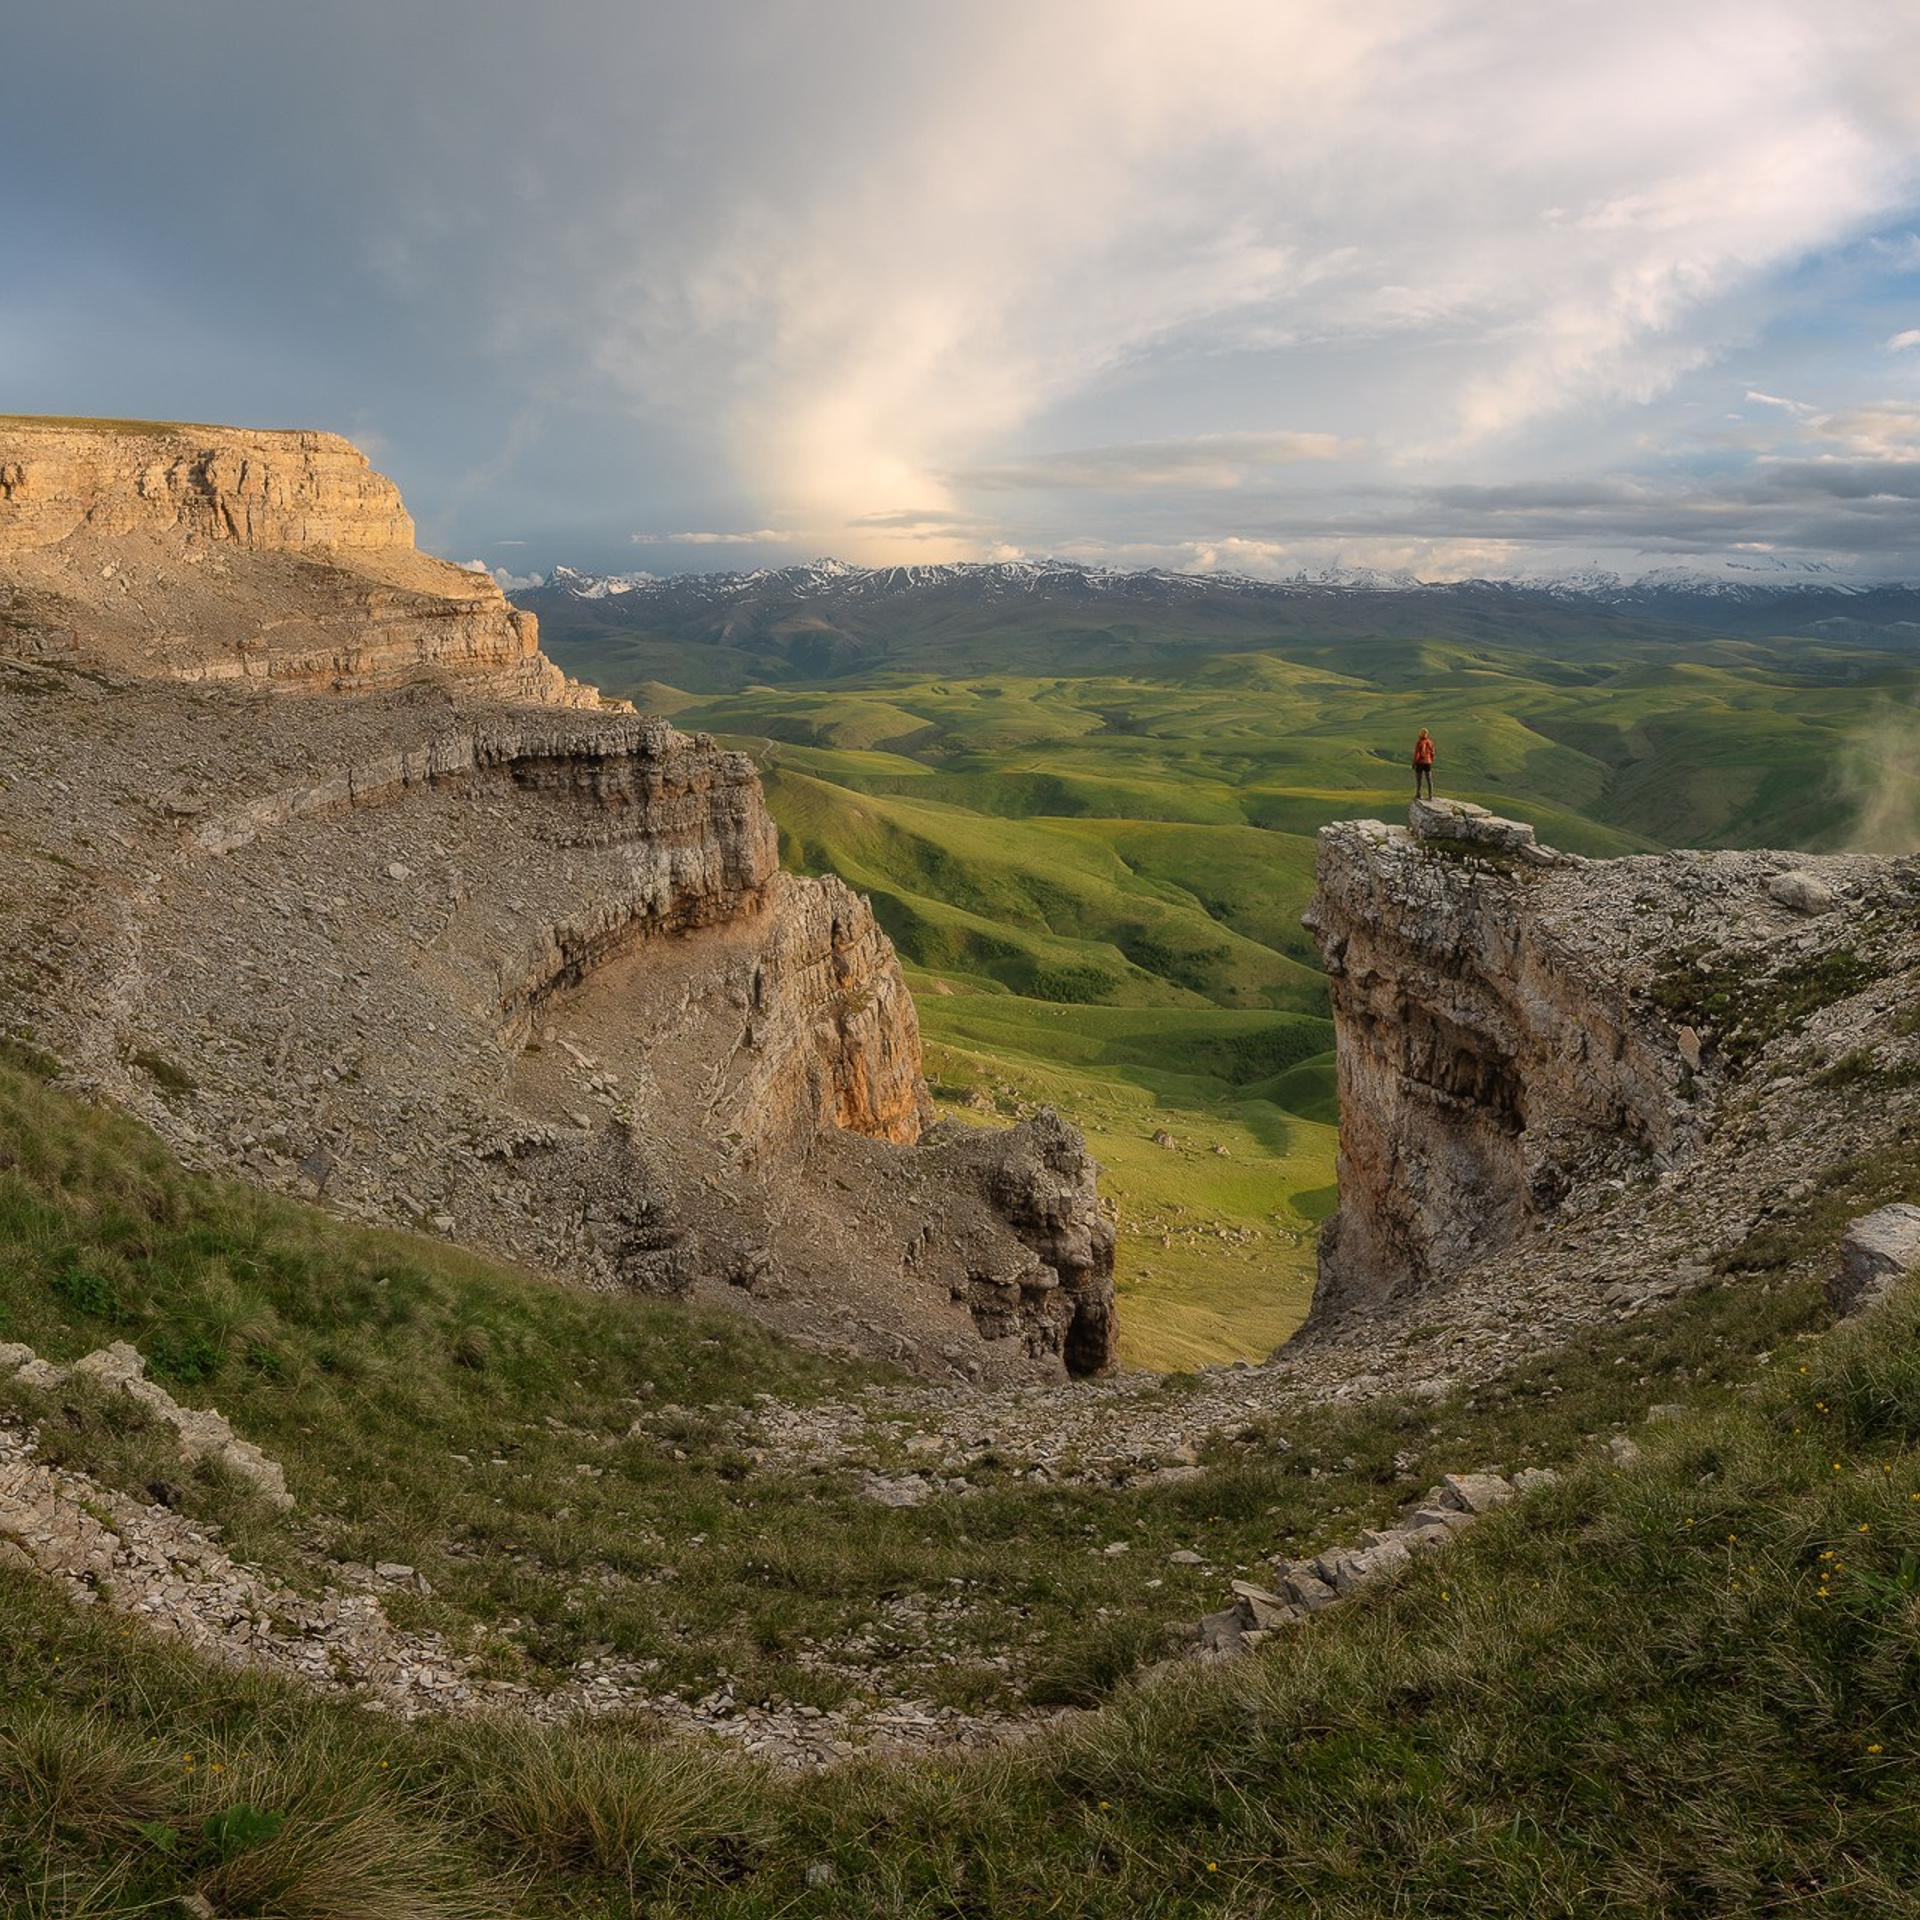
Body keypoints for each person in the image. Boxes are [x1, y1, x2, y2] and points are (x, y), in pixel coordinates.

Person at [1412, 727, 1435, 800]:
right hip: (1428, 762)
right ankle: (1430, 795)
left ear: (1421, 734)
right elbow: (1433, 753)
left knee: (1419, 779)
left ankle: (1418, 794)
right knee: (1429, 779)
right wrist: (1430, 760)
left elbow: (1417, 754)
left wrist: (1414, 763)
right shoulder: (1430, 742)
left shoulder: (1419, 742)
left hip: (1420, 763)